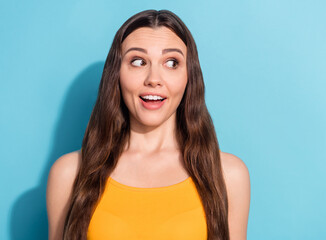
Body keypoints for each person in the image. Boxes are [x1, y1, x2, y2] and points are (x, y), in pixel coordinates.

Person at [46, 9, 250, 240]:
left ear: (189, 77)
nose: (154, 79)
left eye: (171, 62)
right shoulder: (69, 173)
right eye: (138, 61)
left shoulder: (228, 175)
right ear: (117, 74)